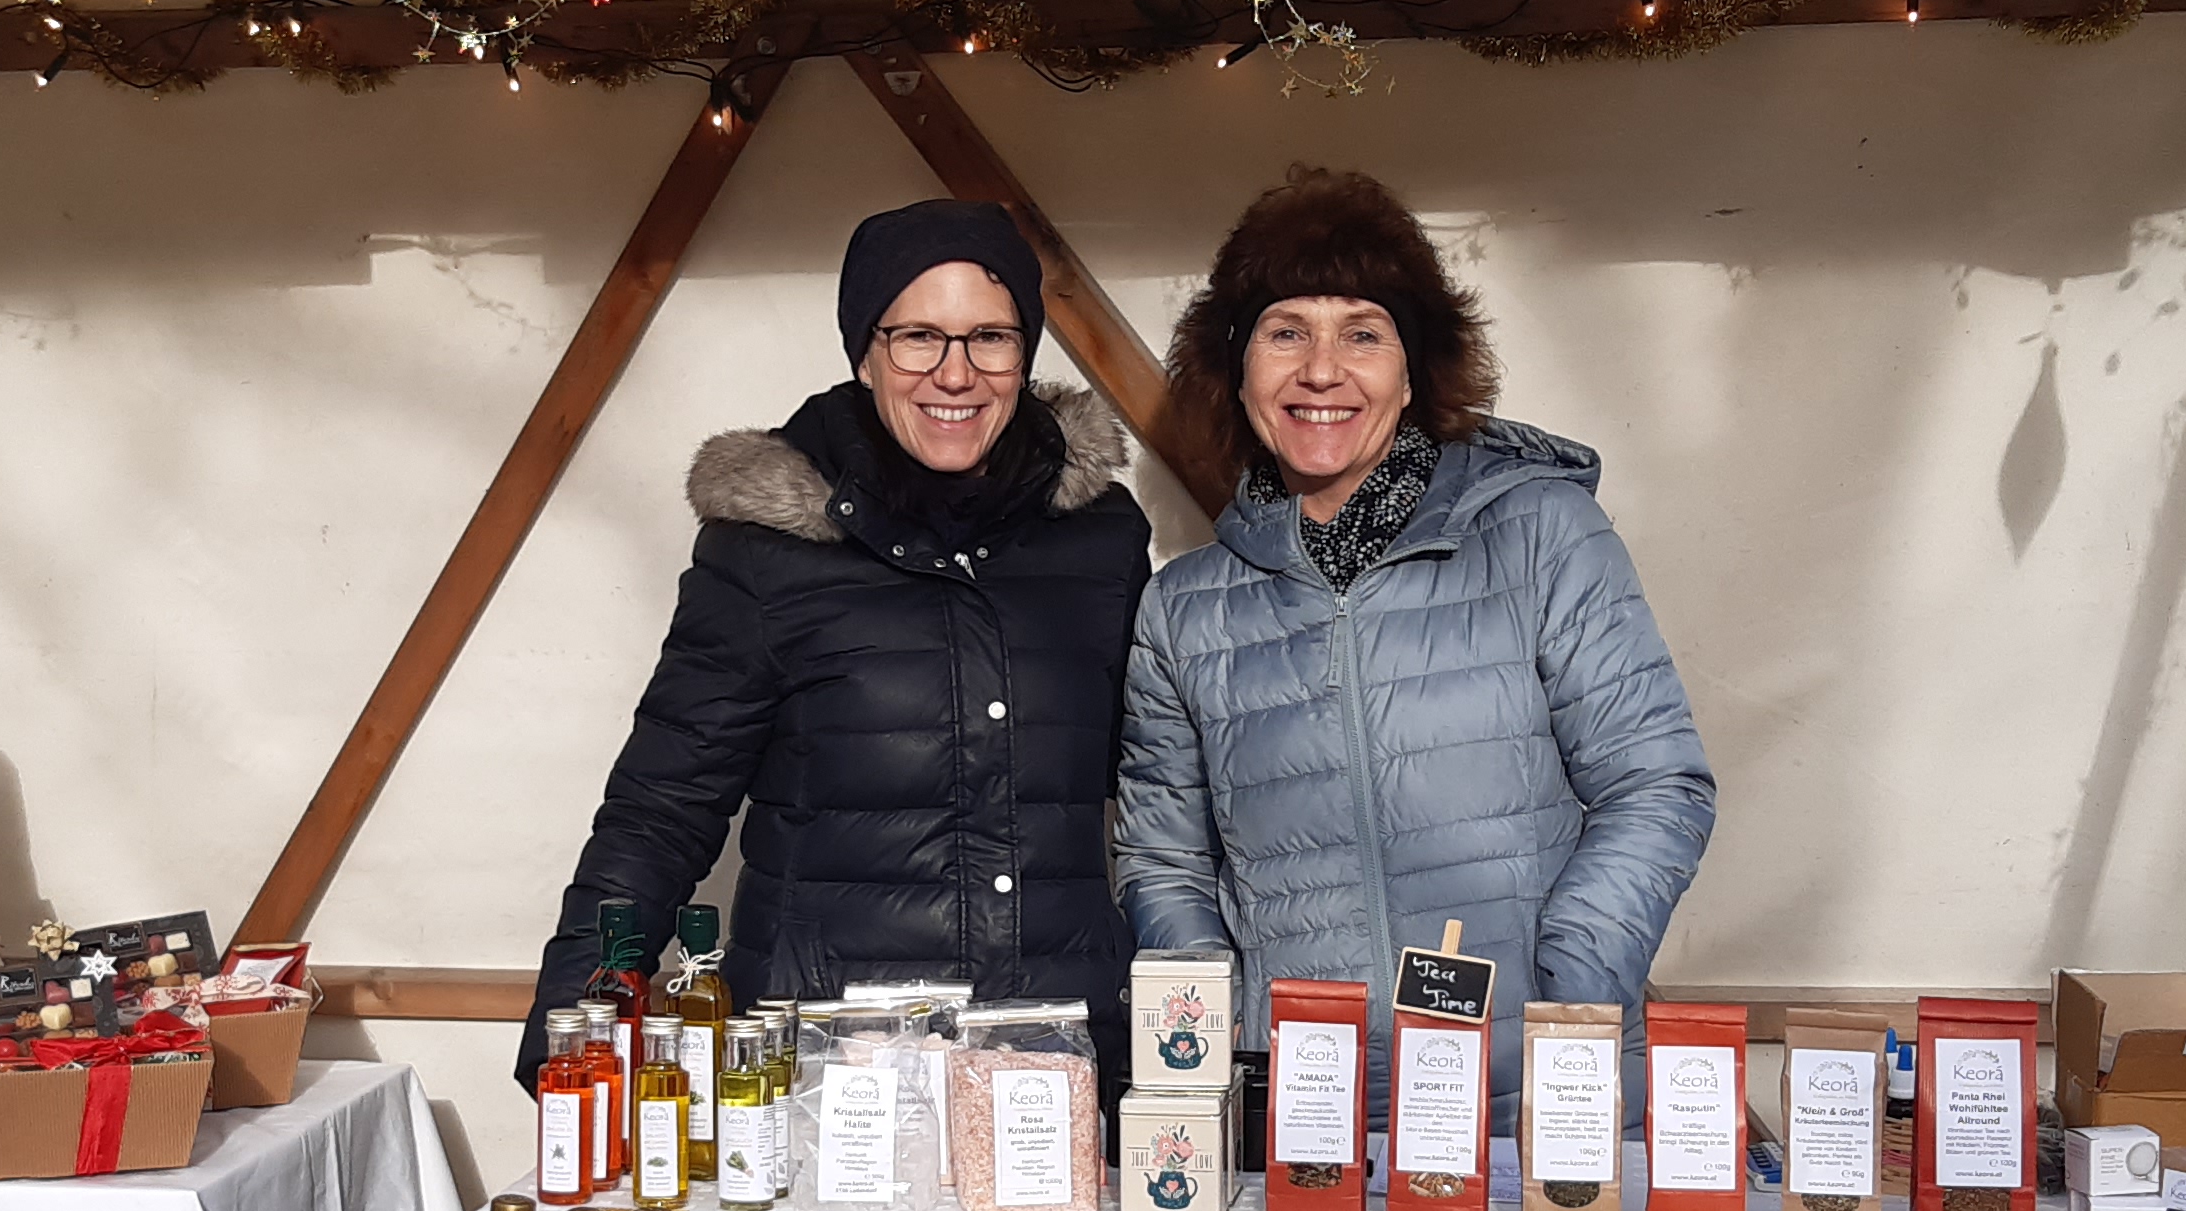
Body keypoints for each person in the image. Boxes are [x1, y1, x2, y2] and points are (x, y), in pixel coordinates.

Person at [1114, 166, 1712, 1094]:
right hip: (1309, 1111)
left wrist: (1572, 985)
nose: (1321, 370)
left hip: (1538, 1095)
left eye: (1363, 333)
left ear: (1413, 368)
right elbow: (1164, 860)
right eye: (1285, 332)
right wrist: (1224, 1032)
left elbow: (1656, 786)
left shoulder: (1543, 534)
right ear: (1235, 368)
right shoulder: (1184, 608)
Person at [527, 196, 1154, 1078]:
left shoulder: (1100, 540)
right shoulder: (768, 553)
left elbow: (1168, 791)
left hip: (1050, 1054)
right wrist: (575, 1030)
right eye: (918, 337)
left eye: (990, 337)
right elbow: (663, 805)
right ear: (866, 352)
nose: (955, 373)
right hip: (832, 1061)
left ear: (1024, 354)